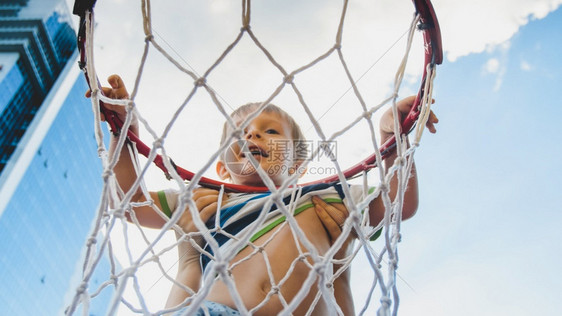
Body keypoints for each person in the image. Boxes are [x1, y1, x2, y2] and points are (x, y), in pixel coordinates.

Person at [87, 74, 438, 316]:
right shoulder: (207, 197)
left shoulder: (326, 196)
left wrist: (393, 140)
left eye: (269, 131)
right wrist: (124, 131)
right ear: (222, 167)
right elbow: (129, 202)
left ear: (299, 163)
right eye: (239, 135)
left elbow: (399, 206)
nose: (252, 138)